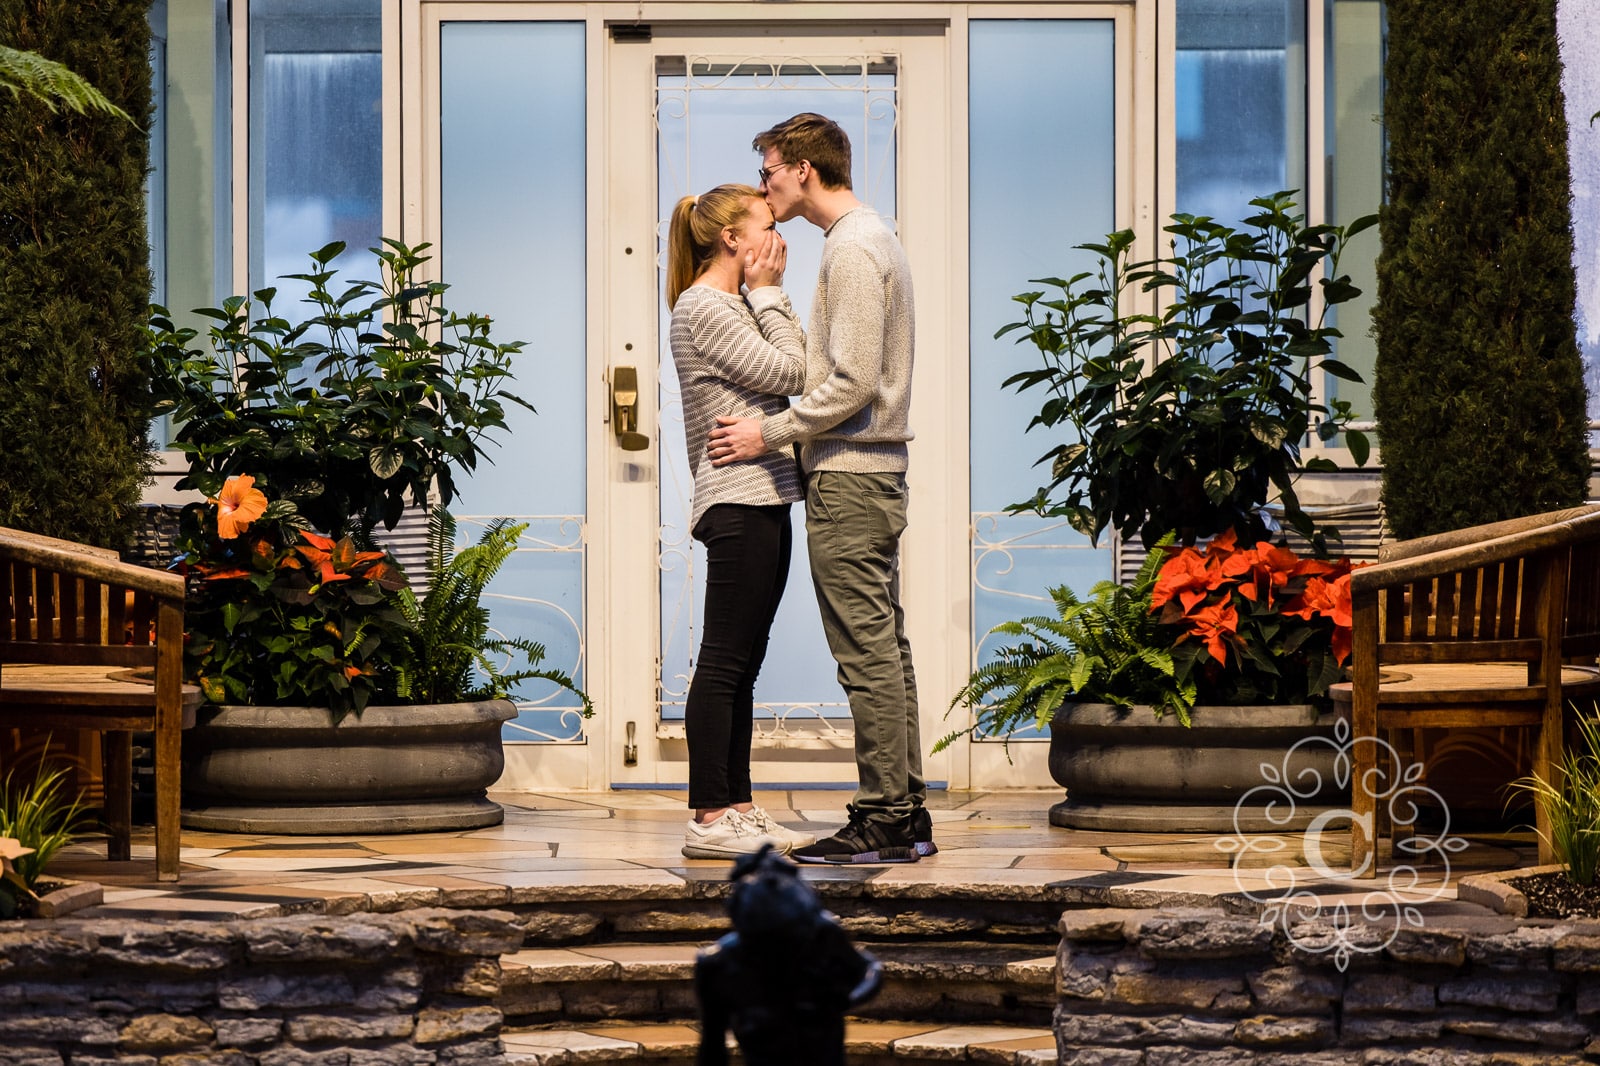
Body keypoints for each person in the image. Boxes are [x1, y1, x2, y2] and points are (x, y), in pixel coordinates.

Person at [708, 114, 935, 864]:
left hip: (852, 476)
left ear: (804, 168)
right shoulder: (862, 241)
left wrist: (766, 434)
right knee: (885, 648)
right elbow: (833, 370)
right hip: (863, 475)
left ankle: (884, 819)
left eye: (771, 168)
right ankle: (905, 812)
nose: (765, 184)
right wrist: (771, 296)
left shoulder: (856, 246)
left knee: (866, 654)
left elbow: (850, 381)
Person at [666, 183, 816, 860]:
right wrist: (770, 293)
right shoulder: (706, 306)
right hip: (737, 498)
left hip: (763, 493)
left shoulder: (729, 304)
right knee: (725, 662)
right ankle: (707, 815)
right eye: (765, 225)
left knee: (743, 663)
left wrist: (761, 297)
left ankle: (738, 808)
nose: (777, 239)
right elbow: (796, 369)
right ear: (732, 238)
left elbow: (792, 372)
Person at [694, 844, 882, 1066]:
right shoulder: (719, 963)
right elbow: (712, 1046)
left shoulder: (821, 935)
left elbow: (870, 970)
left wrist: (843, 1001)